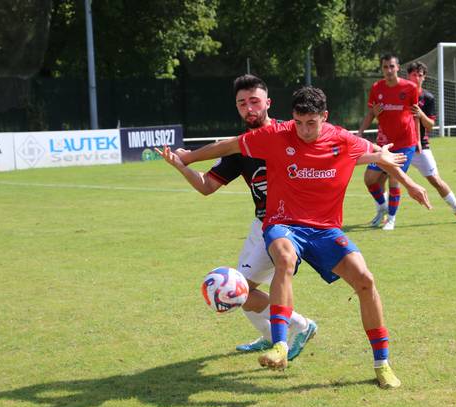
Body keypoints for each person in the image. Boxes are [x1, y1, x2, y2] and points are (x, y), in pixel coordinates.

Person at [158, 86, 432, 389]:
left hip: (326, 230)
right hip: (282, 223)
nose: (303, 130)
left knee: (365, 279)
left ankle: (382, 363)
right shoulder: (275, 136)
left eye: (311, 123)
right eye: (298, 122)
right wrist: (189, 157)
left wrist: (409, 185)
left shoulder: (341, 138)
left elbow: (380, 156)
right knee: (284, 259)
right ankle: (279, 345)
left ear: (324, 117)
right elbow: (231, 145)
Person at [159, 74, 316, 361]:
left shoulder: (292, 131)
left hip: (289, 225)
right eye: (242, 103)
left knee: (240, 290)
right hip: (262, 224)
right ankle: (275, 335)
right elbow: (207, 186)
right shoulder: (239, 148)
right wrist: (181, 167)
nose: (249, 108)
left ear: (268, 102)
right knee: (239, 290)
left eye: (254, 101)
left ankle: (300, 326)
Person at [358, 53, 421, 231]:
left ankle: (391, 219)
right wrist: (360, 132)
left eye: (391, 67)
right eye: (385, 67)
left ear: (398, 68)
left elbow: (415, 114)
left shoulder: (410, 88)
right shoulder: (377, 88)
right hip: (383, 144)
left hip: (405, 143)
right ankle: (383, 207)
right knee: (369, 179)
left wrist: (418, 139)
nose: (388, 70)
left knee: (394, 179)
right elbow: (371, 113)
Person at [404, 61, 456, 224]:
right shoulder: (400, 94)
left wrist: (421, 114)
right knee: (381, 179)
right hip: (400, 146)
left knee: (436, 180)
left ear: (424, 78)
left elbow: (431, 125)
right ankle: (385, 215)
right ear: (408, 76)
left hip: (420, 148)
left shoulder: (428, 98)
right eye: (414, 74)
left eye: (420, 75)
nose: (417, 78)